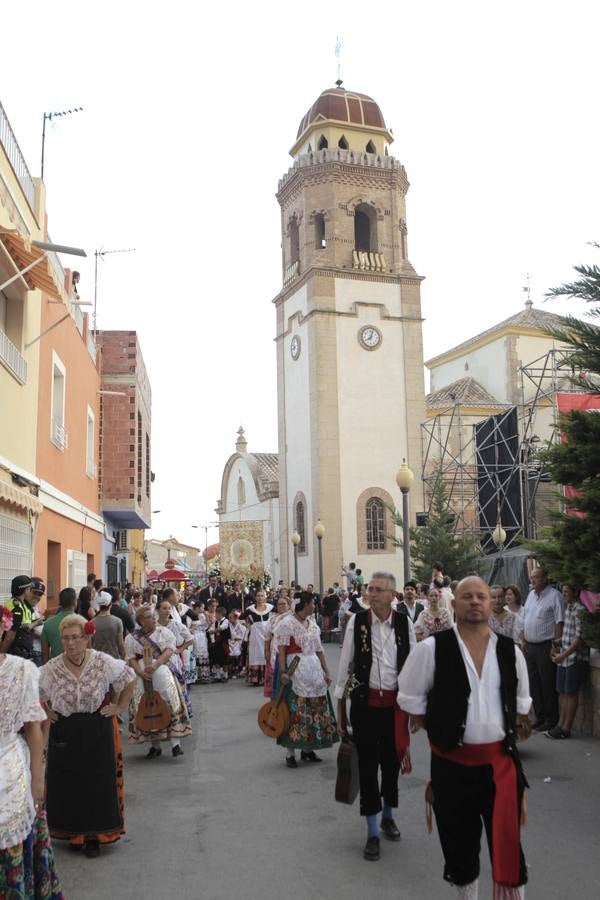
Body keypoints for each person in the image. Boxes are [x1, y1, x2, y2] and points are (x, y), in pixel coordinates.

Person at [397, 576, 531, 900]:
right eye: (466, 596)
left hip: (500, 768)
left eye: (481, 596)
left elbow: (521, 708)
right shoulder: (431, 649)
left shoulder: (511, 653)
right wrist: (443, 726)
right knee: (459, 849)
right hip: (452, 769)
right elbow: (411, 699)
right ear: (453, 603)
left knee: (508, 848)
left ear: (491, 602)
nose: (474, 601)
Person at [39, 613, 135, 858]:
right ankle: (74, 833)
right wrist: (47, 711)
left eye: (76, 638)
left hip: (97, 727)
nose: (71, 643)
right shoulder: (52, 667)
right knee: (69, 783)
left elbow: (129, 679)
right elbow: (33, 691)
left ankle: (95, 835)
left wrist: (119, 707)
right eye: (66, 638)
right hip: (66, 729)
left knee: (97, 782)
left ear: (87, 637)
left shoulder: (102, 661)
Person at [335, 572, 416, 861]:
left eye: (378, 590)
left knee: (391, 765)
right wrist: (341, 711)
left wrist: (416, 710)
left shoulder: (405, 624)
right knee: (368, 768)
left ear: (392, 596)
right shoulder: (358, 623)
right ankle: (371, 831)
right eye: (370, 589)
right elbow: (346, 665)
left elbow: (414, 667)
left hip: (395, 710)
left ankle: (388, 815)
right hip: (365, 706)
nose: (371, 593)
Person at [0, 603, 63, 898]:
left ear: (3, 630)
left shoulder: (20, 670)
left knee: (12, 838)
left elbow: (34, 727)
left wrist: (38, 777)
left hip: (9, 762)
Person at [276, 592, 338, 768]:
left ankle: (308, 749)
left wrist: (326, 671)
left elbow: (319, 650)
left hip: (314, 670)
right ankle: (290, 753)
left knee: (314, 709)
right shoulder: (287, 624)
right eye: (313, 603)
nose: (315, 606)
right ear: (304, 604)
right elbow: (281, 649)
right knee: (295, 709)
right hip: (296, 669)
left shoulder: (313, 624)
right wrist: (283, 672)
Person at [126, 606, 192, 758]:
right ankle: (154, 746)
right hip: (142, 675)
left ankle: (176, 744)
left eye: (153, 616)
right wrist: (140, 672)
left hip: (161, 671)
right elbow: (131, 658)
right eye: (149, 617)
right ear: (141, 621)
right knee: (144, 704)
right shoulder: (131, 638)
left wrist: (155, 665)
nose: (153, 619)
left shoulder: (164, 633)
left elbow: (169, 651)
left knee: (168, 701)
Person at [521, 567, 564, 731]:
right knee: (534, 684)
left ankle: (551, 719)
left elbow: (559, 622)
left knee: (547, 684)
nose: (533, 580)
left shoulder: (555, 596)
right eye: (531, 577)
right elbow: (526, 618)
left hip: (546, 646)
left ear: (546, 578)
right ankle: (540, 717)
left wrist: (556, 645)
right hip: (530, 646)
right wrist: (524, 638)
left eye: (536, 577)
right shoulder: (531, 595)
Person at [547, 584, 589, 739]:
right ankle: (560, 725)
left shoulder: (580, 610)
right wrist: (556, 643)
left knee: (571, 693)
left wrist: (563, 655)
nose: (563, 594)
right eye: (562, 591)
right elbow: (568, 635)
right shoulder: (569, 608)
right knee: (563, 692)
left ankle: (566, 728)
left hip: (574, 659)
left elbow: (579, 639)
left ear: (575, 592)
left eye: (566, 592)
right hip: (565, 658)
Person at [0, 576, 37, 659]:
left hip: (22, 652)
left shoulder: (19, 603)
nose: (31, 591)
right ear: (25, 590)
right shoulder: (17, 609)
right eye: (30, 589)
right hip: (16, 654)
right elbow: (9, 637)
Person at [244, 590, 273, 685]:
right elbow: (241, 619)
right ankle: (256, 678)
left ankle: (267, 678)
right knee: (256, 655)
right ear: (255, 597)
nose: (260, 598)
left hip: (267, 635)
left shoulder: (271, 608)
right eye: (258, 596)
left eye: (262, 596)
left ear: (265, 597)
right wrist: (248, 625)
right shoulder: (250, 610)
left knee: (267, 655)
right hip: (255, 636)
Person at [263, 596, 291, 696]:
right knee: (275, 672)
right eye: (279, 604)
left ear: (289, 605)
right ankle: (275, 698)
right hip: (275, 646)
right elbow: (267, 636)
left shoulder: (292, 618)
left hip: (288, 647)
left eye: (284, 604)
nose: (282, 606)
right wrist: (266, 650)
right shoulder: (273, 618)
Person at [42, 587, 77, 662]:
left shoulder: (48, 623)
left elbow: (44, 653)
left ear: (60, 602)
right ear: (74, 602)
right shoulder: (83, 623)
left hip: (55, 668)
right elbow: (89, 652)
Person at [93, 591, 125, 659]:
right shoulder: (117, 621)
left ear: (99, 605)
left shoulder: (91, 623)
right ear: (110, 605)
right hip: (113, 658)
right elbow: (120, 644)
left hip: (97, 658)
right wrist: (124, 657)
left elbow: (90, 645)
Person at [207, 606, 231, 682]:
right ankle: (218, 676)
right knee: (216, 659)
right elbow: (211, 628)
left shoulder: (226, 621)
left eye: (216, 614)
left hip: (224, 643)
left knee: (225, 660)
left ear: (221, 614)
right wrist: (209, 630)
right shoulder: (216, 622)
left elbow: (221, 628)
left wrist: (213, 631)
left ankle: (225, 675)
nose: (215, 615)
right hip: (217, 643)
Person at [227, 610, 246, 678]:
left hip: (238, 643)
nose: (229, 619)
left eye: (230, 617)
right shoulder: (227, 626)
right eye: (228, 617)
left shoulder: (241, 626)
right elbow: (228, 635)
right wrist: (234, 638)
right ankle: (230, 670)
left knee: (237, 650)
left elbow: (243, 636)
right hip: (230, 642)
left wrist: (236, 638)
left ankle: (236, 670)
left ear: (235, 618)